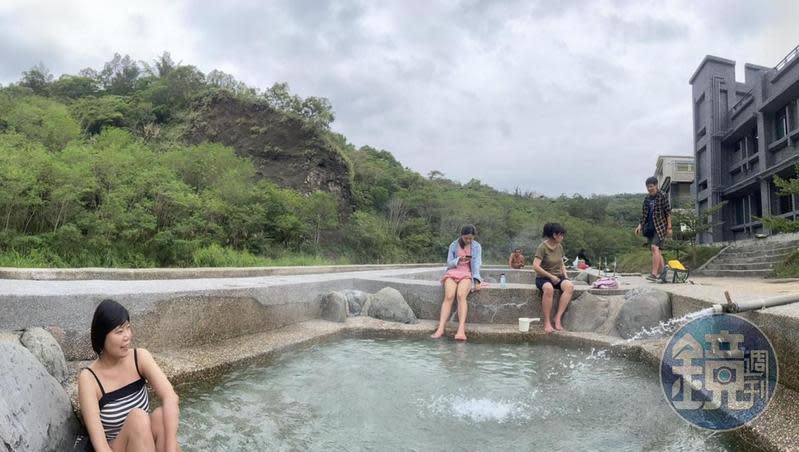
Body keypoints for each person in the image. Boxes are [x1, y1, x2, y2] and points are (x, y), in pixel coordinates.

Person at [78, 299, 180, 452]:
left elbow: (170, 397)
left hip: (144, 444)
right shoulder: (89, 379)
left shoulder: (140, 357)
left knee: (161, 415)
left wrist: (170, 448)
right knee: (138, 419)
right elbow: (101, 447)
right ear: (102, 336)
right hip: (116, 448)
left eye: (128, 328)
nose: (127, 336)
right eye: (119, 331)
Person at [431, 224, 483, 341]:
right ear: (461, 235)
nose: (469, 240)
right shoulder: (453, 245)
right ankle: (440, 328)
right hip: (453, 272)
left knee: (460, 296)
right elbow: (449, 263)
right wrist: (459, 259)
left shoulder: (477, 247)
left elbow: (476, 264)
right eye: (466, 238)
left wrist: (477, 280)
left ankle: (461, 329)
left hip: (467, 273)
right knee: (449, 296)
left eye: (471, 238)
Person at [532, 223, 575, 333]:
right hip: (543, 277)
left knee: (569, 287)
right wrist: (550, 276)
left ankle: (557, 318)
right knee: (548, 288)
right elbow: (535, 266)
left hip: (558, 276)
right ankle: (547, 321)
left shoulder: (559, 246)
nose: (562, 237)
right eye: (561, 234)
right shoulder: (542, 247)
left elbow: (561, 263)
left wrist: (566, 277)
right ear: (554, 235)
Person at [634, 176, 672, 281]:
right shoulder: (647, 199)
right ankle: (664, 273)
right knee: (657, 251)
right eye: (648, 187)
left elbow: (668, 212)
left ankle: (654, 274)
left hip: (660, 227)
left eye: (651, 186)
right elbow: (644, 215)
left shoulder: (662, 196)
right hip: (650, 227)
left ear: (656, 185)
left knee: (654, 247)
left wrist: (669, 227)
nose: (649, 189)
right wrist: (639, 226)